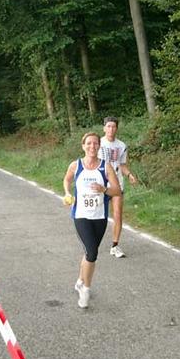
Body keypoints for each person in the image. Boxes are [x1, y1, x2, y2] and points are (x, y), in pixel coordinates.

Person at [63, 132, 121, 308]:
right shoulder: (76, 165)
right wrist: (67, 193)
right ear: (83, 146)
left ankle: (80, 280)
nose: (92, 146)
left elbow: (117, 190)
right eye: (88, 143)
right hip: (81, 215)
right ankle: (86, 290)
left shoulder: (106, 167)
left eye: (95, 143)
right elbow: (67, 180)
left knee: (90, 251)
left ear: (99, 146)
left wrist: (104, 189)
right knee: (92, 252)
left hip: (100, 217)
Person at [98, 116, 138, 258]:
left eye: (113, 126)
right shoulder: (98, 143)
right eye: (108, 126)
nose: (111, 129)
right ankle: (92, 240)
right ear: (104, 128)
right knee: (97, 215)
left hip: (117, 184)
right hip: (101, 183)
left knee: (117, 214)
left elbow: (122, 165)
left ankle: (115, 246)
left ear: (117, 129)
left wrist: (129, 175)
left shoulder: (121, 145)